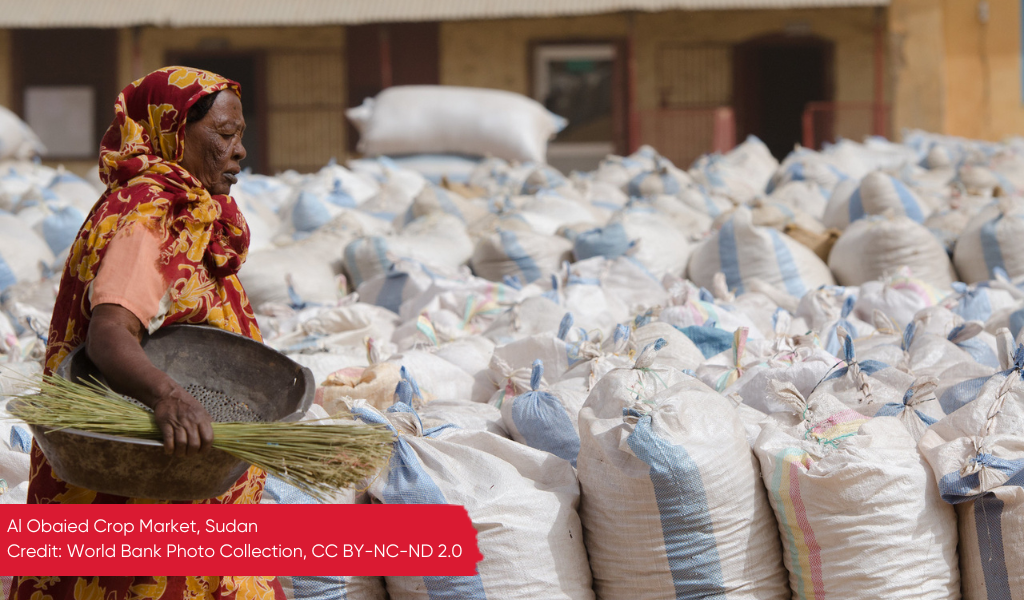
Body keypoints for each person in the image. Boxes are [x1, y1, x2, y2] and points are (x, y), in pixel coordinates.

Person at [9, 67, 284, 600]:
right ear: (172, 132)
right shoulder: (150, 214)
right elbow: (110, 333)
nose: (240, 151)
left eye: (240, 135)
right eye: (223, 136)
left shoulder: (182, 208)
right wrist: (171, 398)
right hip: (152, 479)